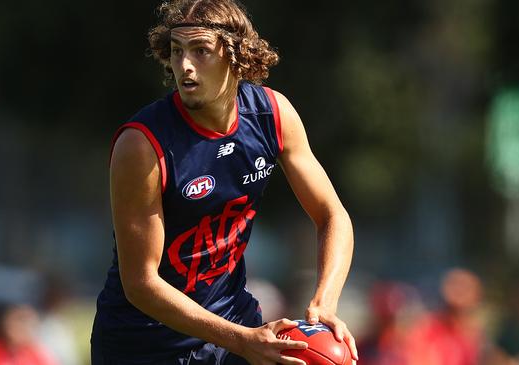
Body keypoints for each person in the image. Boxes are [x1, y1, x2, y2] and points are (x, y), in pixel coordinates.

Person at [90, 1, 357, 364]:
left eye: (200, 51)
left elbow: (332, 215)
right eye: (176, 50)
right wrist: (242, 340)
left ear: (237, 56)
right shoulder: (142, 144)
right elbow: (141, 283)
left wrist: (324, 303)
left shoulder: (272, 115)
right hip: (144, 345)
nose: (184, 65)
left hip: (233, 322)